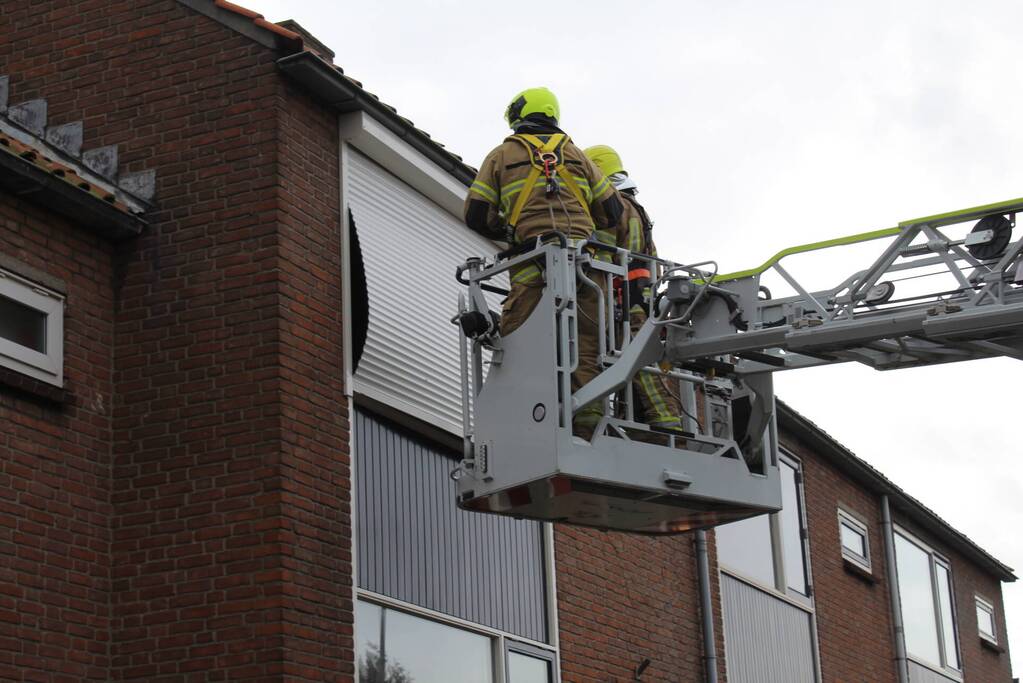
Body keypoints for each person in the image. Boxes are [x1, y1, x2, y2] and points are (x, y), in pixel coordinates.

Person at [464, 87, 623, 437]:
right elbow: (613, 212)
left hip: (531, 269)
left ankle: (524, 424)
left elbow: (475, 214)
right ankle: (587, 433)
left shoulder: (501, 156)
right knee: (586, 348)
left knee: (518, 344)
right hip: (585, 268)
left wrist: (509, 228)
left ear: (518, 116)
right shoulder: (579, 157)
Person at [584, 144, 685, 434]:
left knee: (623, 362)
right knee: (636, 364)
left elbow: (601, 256)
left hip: (621, 299)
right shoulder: (637, 208)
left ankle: (665, 423)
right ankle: (662, 422)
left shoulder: (613, 206)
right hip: (640, 297)